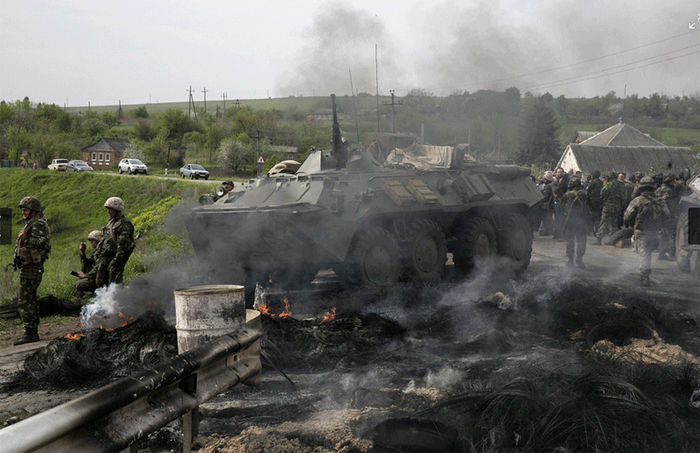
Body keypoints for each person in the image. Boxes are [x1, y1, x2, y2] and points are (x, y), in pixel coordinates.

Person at [12, 197, 51, 345]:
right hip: (27, 266)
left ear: (34, 211)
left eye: (26, 210)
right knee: (27, 299)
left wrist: (26, 239)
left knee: (26, 300)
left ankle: (31, 332)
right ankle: (30, 331)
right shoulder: (30, 224)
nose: (23, 212)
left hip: (33, 267)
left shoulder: (38, 224)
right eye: (22, 210)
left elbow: (43, 242)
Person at [624, 177, 670, 287]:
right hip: (655, 232)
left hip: (641, 232)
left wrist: (631, 224)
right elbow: (667, 216)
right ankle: (646, 273)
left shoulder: (637, 201)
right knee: (648, 253)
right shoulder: (660, 201)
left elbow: (627, 217)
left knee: (644, 254)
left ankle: (645, 276)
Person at [100, 197, 135, 285]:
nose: (108, 211)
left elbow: (123, 248)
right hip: (105, 261)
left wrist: (115, 262)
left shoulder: (124, 225)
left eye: (110, 209)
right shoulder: (112, 223)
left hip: (114, 262)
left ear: (117, 209)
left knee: (114, 287)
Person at [561, 177, 593, 268]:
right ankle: (580, 259)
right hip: (582, 220)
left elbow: (562, 206)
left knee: (570, 241)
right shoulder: (585, 194)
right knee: (581, 241)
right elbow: (591, 205)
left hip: (570, 220)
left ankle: (570, 260)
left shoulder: (567, 194)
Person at [594, 171, 625, 245]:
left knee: (605, 222)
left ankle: (602, 239)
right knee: (612, 223)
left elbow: (602, 193)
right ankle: (608, 239)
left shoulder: (609, 185)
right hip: (617, 206)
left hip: (608, 206)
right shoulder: (621, 185)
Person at [75, 230, 108, 295]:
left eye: (92, 241)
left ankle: (97, 291)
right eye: (90, 242)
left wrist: (85, 276)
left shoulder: (103, 252)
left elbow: (97, 268)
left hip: (103, 278)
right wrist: (82, 252)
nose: (91, 243)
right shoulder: (97, 252)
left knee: (78, 284)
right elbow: (87, 263)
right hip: (97, 276)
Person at [655, 173, 679, 260]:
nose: (675, 182)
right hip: (667, 216)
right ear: (669, 181)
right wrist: (673, 215)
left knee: (662, 235)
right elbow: (667, 204)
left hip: (659, 215)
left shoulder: (659, 189)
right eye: (673, 180)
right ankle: (672, 255)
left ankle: (661, 254)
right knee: (671, 235)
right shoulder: (668, 190)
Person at [586, 170, 603, 234]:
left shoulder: (593, 183)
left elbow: (588, 191)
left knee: (591, 215)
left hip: (592, 201)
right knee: (598, 215)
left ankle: (590, 229)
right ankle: (597, 228)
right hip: (599, 201)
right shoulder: (601, 182)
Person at [539, 171, 555, 236]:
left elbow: (546, 196)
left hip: (547, 205)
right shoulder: (552, 184)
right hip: (550, 204)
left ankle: (546, 231)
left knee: (546, 218)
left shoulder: (548, 186)